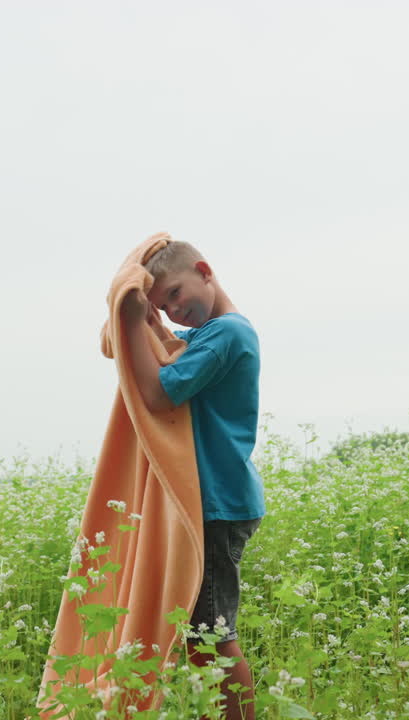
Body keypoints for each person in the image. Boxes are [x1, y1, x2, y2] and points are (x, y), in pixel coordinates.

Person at [118, 239, 266, 720]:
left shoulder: (227, 335)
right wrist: (146, 324)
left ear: (205, 271)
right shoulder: (209, 335)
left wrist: (134, 322)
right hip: (210, 502)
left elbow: (159, 394)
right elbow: (168, 366)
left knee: (212, 637)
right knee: (200, 636)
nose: (175, 311)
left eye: (176, 294)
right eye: (164, 306)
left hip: (218, 505)